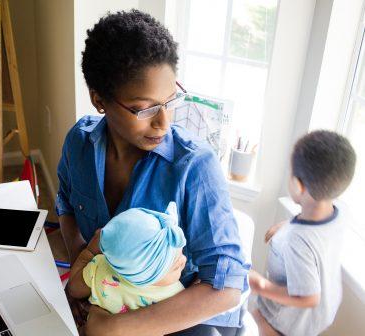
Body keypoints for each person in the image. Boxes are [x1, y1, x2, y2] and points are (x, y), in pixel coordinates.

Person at [56, 9, 249, 335]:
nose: (163, 122)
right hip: (109, 301)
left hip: (180, 318)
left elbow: (226, 287)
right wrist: (84, 272)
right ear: (99, 99)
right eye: (145, 108)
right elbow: (65, 201)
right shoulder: (79, 142)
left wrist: (116, 328)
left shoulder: (194, 167)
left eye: (170, 101)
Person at [249, 130, 356, 336]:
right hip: (324, 309)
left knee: (250, 321)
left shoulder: (296, 241)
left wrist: (261, 285)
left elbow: (308, 297)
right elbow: (318, 229)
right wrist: (287, 224)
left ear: (298, 186)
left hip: (284, 320)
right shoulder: (340, 209)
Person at [68, 202, 187, 314]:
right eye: (176, 266)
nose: (184, 260)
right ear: (146, 277)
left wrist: (89, 252)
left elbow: (74, 289)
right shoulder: (176, 296)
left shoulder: (100, 271)